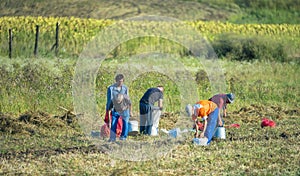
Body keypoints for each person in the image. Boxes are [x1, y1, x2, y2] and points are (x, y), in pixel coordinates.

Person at [106, 74, 131, 141]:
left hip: (124, 108)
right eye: (119, 81)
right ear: (116, 81)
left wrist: (130, 111)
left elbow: (128, 100)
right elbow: (109, 100)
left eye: (122, 81)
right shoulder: (111, 88)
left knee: (125, 123)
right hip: (115, 108)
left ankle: (123, 137)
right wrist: (108, 109)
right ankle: (112, 138)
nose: (120, 83)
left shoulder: (125, 88)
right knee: (113, 123)